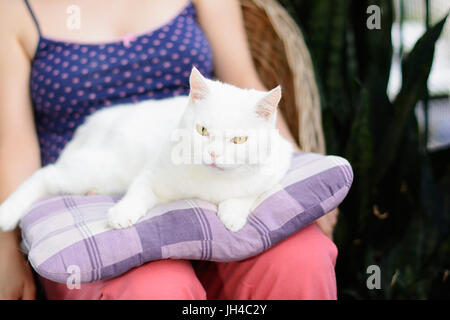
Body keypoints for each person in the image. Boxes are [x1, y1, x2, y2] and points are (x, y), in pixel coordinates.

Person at [0, 0, 338, 300]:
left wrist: (302, 173)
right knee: (155, 290)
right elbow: (14, 141)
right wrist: (7, 250)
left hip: (204, 168)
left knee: (301, 259)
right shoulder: (13, 10)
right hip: (94, 191)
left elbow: (250, 92)